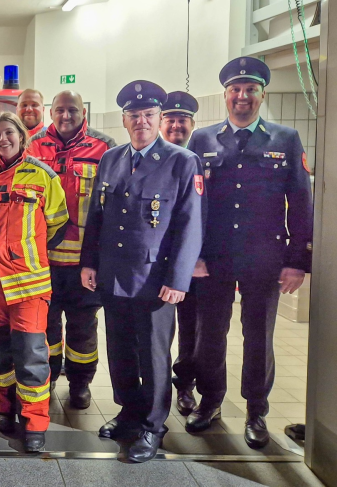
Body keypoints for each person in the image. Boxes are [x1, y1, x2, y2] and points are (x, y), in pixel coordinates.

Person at [185, 57, 313, 449]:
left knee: (259, 337)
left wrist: (297, 261)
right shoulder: (202, 140)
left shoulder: (285, 139)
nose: (242, 96)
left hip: (264, 256)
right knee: (210, 335)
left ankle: (256, 410)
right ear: (226, 95)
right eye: (236, 90)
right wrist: (193, 255)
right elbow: (191, 203)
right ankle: (210, 401)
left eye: (251, 89)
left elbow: (301, 202)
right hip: (214, 257)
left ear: (262, 94)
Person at [80, 80, 204, 463]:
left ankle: (152, 425)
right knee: (120, 350)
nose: (141, 121)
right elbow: (96, 216)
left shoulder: (182, 161)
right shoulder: (111, 159)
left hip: (155, 280)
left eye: (149, 114)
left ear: (159, 117)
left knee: (153, 355)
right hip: (113, 274)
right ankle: (129, 411)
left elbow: (190, 225)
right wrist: (89, 263)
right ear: (124, 119)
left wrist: (178, 280)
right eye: (134, 115)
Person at [0, 111, 68, 452]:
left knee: (31, 356)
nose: (3, 139)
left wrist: (26, 253)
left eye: (9, 132)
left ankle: (35, 422)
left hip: (28, 284)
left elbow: (57, 223)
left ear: (22, 137)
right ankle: (3, 409)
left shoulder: (43, 175)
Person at [25, 91, 116, 408]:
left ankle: (80, 384)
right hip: (43, 262)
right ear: (50, 112)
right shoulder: (32, 145)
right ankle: (48, 379)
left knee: (83, 329)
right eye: (60, 110)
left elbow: (111, 208)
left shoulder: (104, 147)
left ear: (83, 112)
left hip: (84, 264)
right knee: (45, 328)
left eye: (72, 110)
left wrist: (102, 258)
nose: (66, 116)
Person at [159, 90, 200, 416]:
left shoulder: (199, 157)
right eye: (170, 119)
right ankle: (154, 391)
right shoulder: (151, 158)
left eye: (182, 119)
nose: (176, 125)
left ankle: (184, 385)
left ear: (192, 124)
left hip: (194, 263)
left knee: (192, 328)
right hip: (157, 263)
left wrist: (196, 259)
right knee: (158, 333)